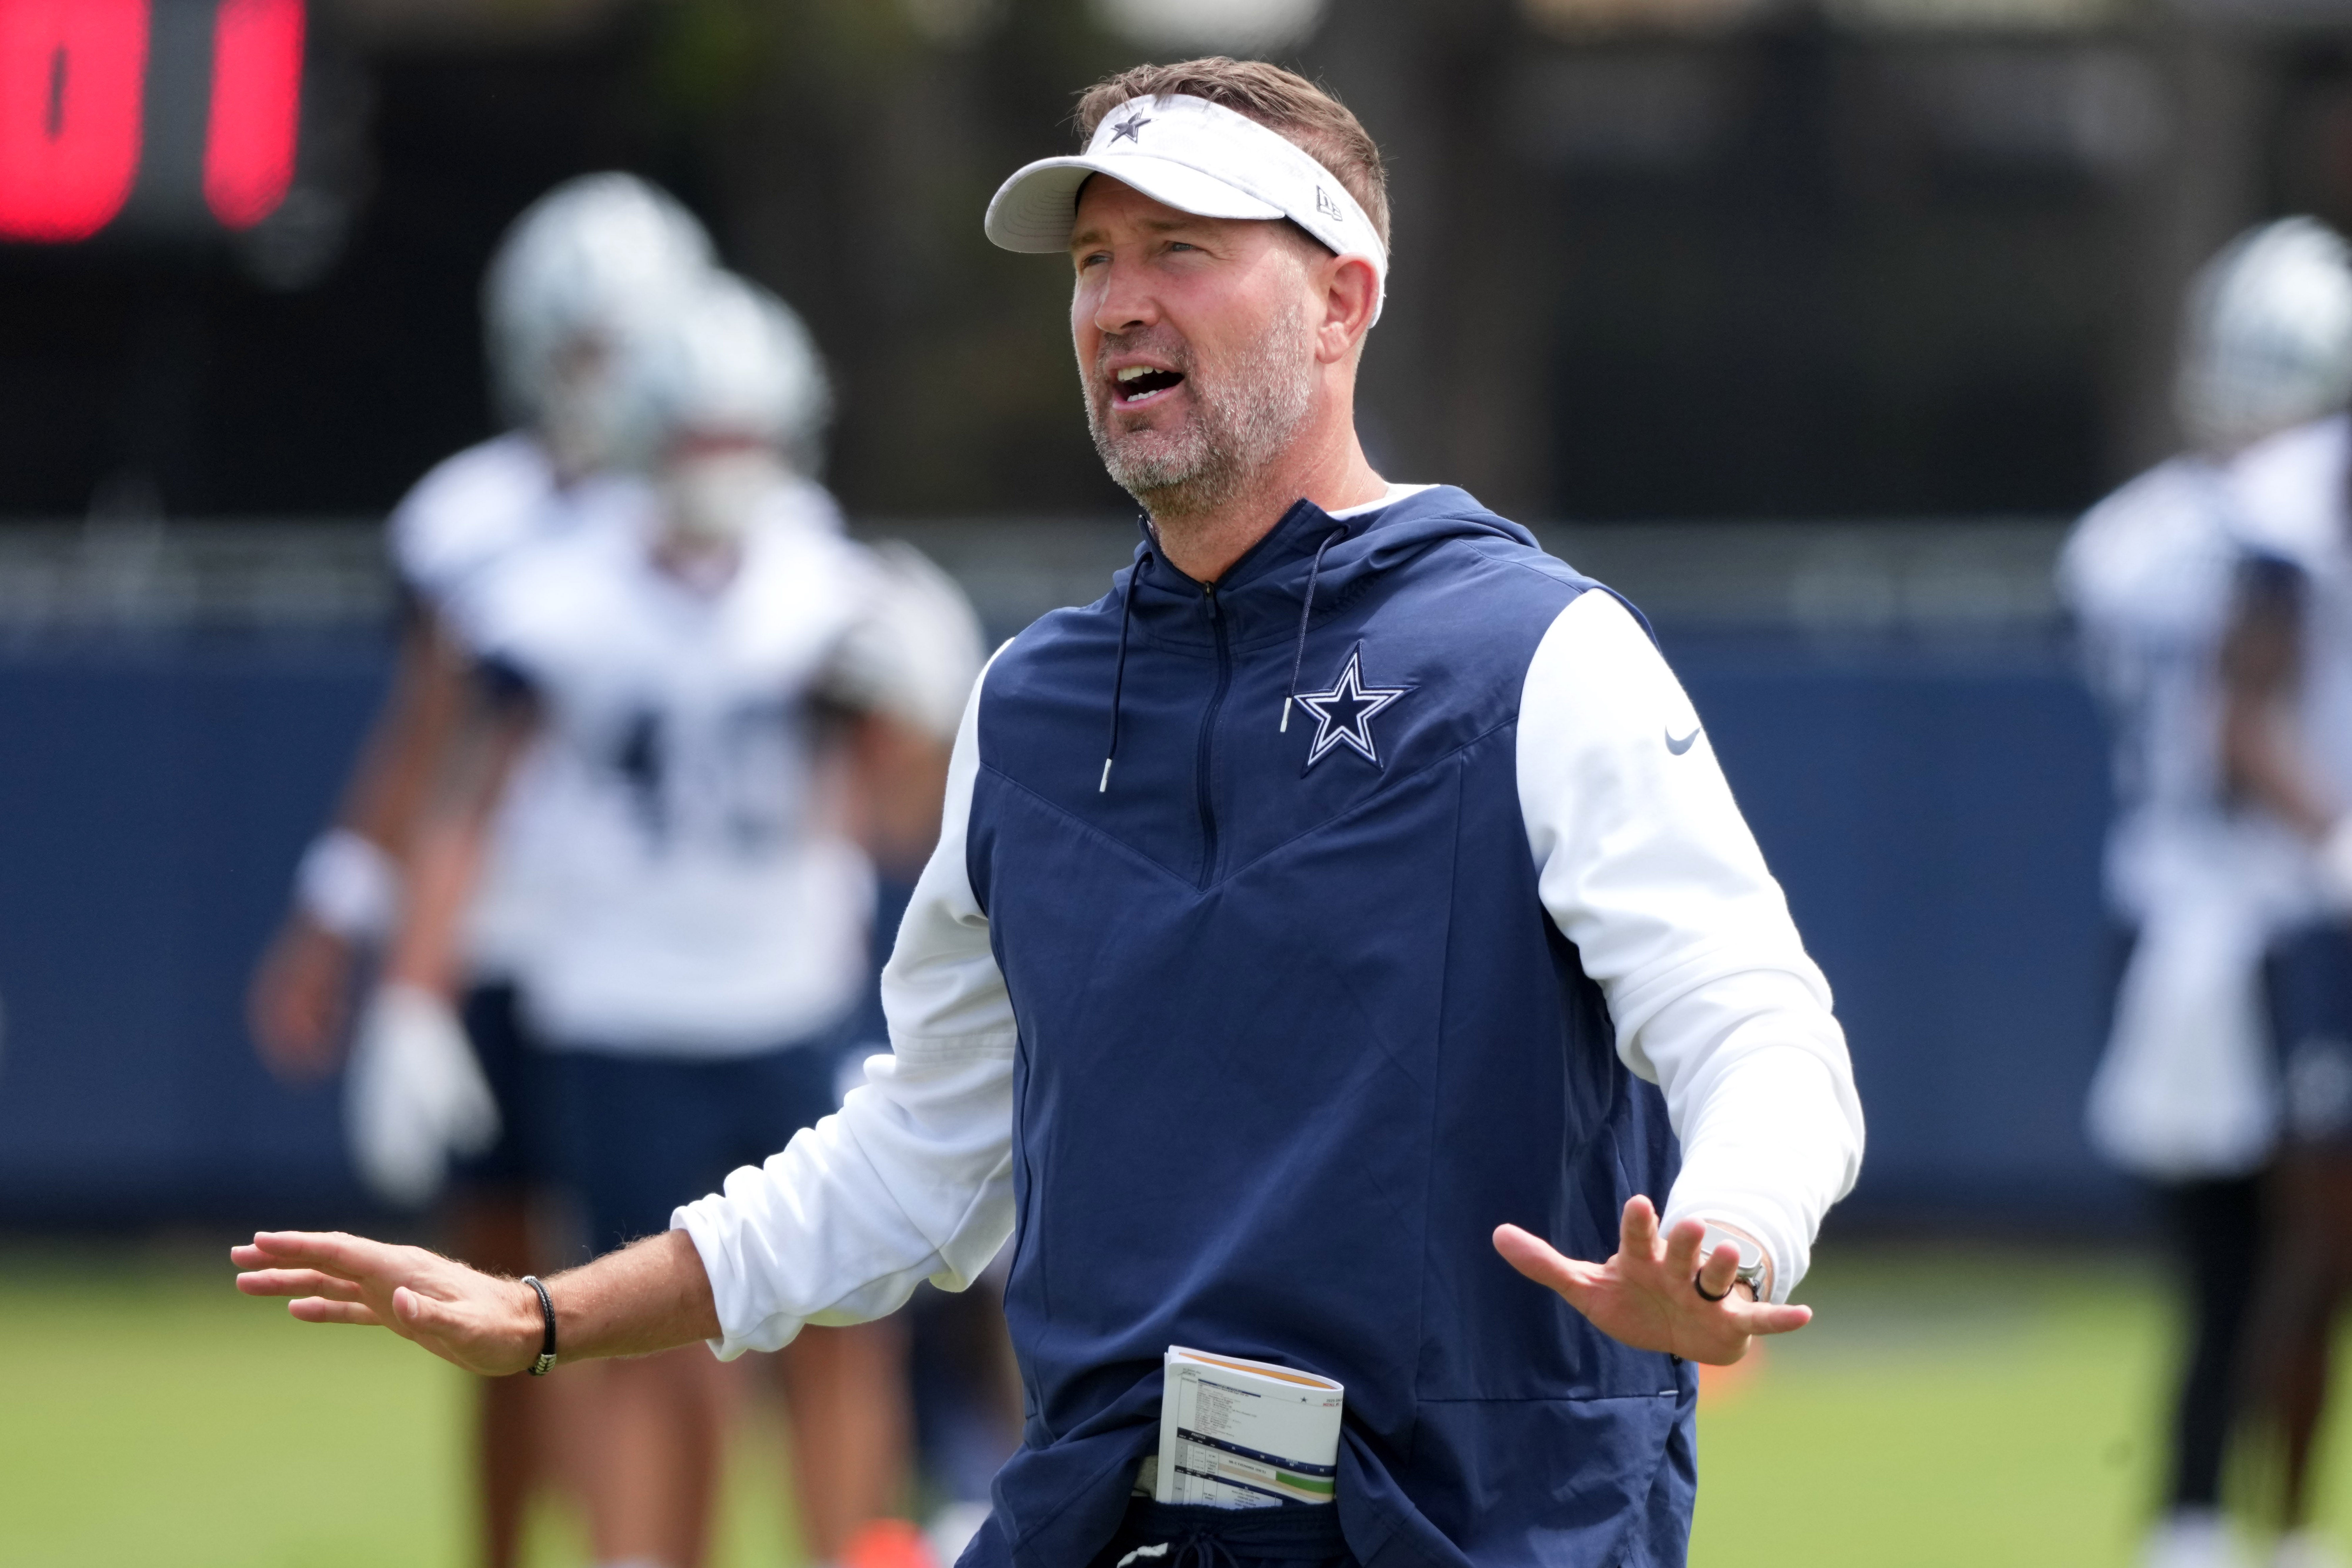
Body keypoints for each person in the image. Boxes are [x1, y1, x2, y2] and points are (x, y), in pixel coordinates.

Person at [235, 58, 1864, 1568]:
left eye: (1179, 249)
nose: (1115, 304)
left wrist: (1725, 1237)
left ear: (1342, 298)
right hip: (1116, 1517)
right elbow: (914, 1156)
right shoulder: (1030, 704)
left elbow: (1762, 1026)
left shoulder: (1534, 650)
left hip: (1479, 1526)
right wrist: (541, 1315)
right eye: (1092, 260)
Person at [394, 268, 982, 1568]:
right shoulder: (556, 592)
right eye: (698, 434)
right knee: (648, 1333)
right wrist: (415, 992)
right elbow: (465, 800)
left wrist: (919, 716)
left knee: (846, 1313)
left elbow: (904, 820)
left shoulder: (839, 590)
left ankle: (844, 1547)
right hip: (623, 1008)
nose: (721, 464)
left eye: (742, 436)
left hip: (793, 991)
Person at [243, 172, 714, 1568]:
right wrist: (344, 927)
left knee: (657, 1286)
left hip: (660, 957)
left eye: (625, 346)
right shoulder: (472, 517)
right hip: (502, 944)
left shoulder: (716, 511)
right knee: (491, 1291)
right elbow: (426, 740)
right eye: (582, 348)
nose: (604, 382)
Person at [2061, 218, 2352, 1568]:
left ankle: (2219, 1519)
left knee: (2248, 1258)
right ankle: (2232, 1523)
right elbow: (2241, 716)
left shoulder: (2131, 535)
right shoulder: (2280, 504)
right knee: (2269, 1252)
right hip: (2249, 910)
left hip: (2187, 906)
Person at [2207, 219, 2352, 1568]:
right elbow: (2238, 717)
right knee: (2318, 1237)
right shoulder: (2294, 497)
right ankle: (2289, 1530)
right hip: (2327, 911)